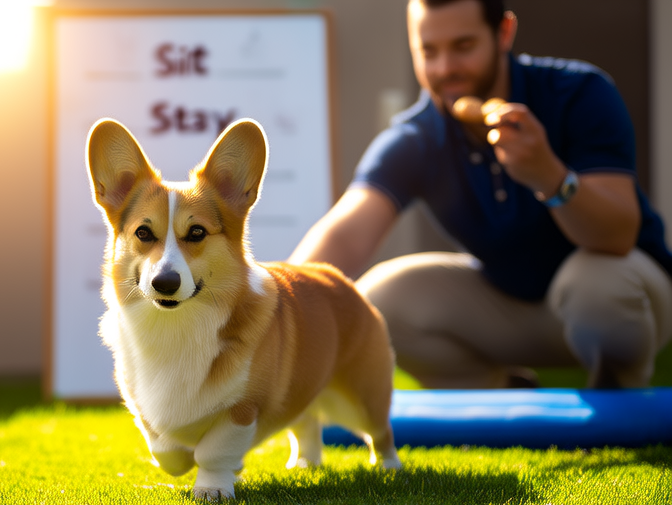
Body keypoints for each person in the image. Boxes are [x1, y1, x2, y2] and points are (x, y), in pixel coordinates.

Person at [288, 0, 672, 389]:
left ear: (504, 33)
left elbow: (618, 235)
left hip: (624, 299)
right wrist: (279, 306)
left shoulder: (579, 92)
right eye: (428, 51)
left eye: (463, 46)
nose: (444, 69)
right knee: (379, 299)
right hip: (508, 303)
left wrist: (549, 177)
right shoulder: (416, 136)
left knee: (595, 287)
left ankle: (620, 399)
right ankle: (503, 393)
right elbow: (347, 232)